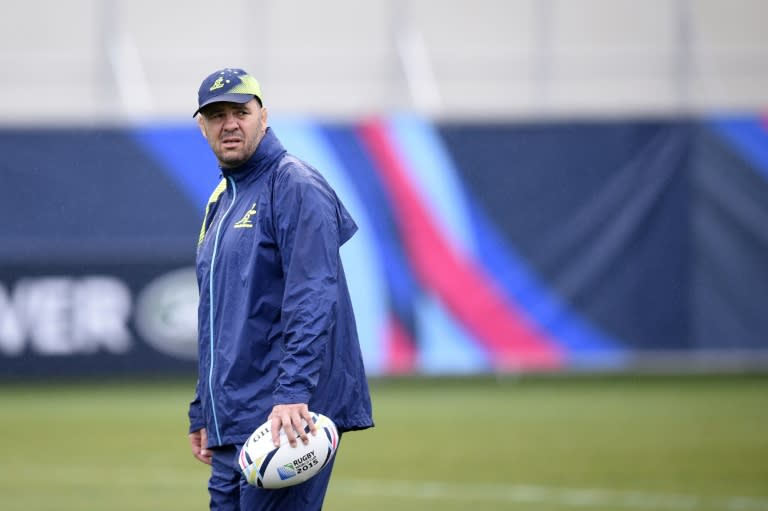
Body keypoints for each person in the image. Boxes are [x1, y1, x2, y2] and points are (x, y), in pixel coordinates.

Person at [187, 67, 374, 511]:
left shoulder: (294, 184)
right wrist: (204, 409)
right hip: (234, 415)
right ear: (202, 126)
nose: (229, 123)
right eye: (216, 115)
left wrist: (293, 392)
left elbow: (313, 295)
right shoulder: (223, 198)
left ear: (264, 116)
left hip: (287, 414)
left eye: (240, 111)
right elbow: (218, 315)